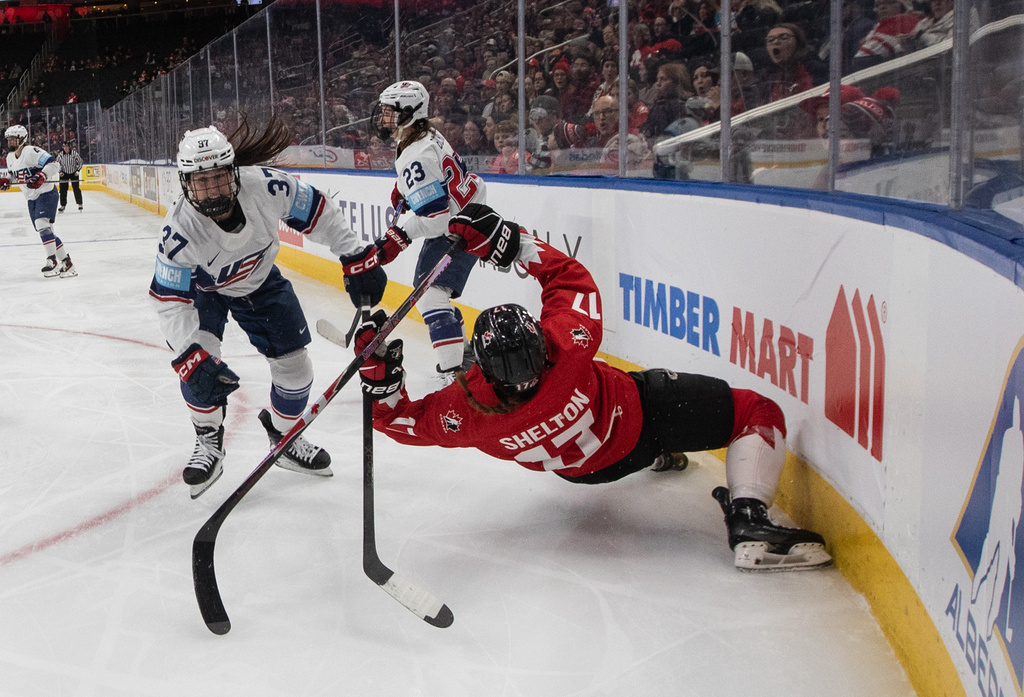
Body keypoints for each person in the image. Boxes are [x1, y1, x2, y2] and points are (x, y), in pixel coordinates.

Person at [355, 203, 832, 572]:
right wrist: (511, 243)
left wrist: (381, 383)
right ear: (540, 344)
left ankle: (657, 456)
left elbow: (405, 423)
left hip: (586, 473)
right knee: (754, 410)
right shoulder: (567, 348)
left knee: (622, 438)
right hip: (641, 418)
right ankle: (749, 518)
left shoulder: (468, 409)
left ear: (482, 368)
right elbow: (568, 278)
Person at [147, 117, 387, 499]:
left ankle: (285, 434)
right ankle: (209, 438)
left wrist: (354, 254)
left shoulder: (265, 185)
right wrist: (189, 357)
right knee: (199, 365)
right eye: (201, 181)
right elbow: (169, 303)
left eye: (219, 177)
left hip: (260, 282)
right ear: (186, 184)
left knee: (296, 369)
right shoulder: (179, 231)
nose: (212, 190)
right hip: (204, 290)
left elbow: (319, 212)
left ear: (234, 172)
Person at [369, 80, 488, 387]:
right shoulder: (424, 135)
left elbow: (435, 221)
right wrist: (408, 188)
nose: (381, 118)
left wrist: (399, 235)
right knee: (431, 291)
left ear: (408, 113)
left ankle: (455, 377)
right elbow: (437, 178)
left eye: (388, 112)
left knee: (430, 295)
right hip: (468, 216)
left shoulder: (415, 155)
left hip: (460, 228)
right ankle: (463, 354)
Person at [1, 125, 76, 278]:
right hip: (31, 198)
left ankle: (51, 260)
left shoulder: (31, 152)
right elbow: (13, 175)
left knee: (42, 225)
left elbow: (54, 164)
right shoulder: (10, 158)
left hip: (46, 193)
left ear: (22, 139)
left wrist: (41, 175)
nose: (10, 142)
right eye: (8, 139)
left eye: (13, 139)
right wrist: (6, 180)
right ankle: (67, 263)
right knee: (47, 232)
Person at [56, 141, 83, 212]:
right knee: (63, 190)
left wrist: (78, 170)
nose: (65, 148)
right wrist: (60, 171)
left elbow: (80, 162)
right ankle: (63, 205)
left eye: (67, 147)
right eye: (64, 147)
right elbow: (56, 164)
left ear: (69, 147)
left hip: (74, 173)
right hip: (64, 173)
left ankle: (80, 204)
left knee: (76, 189)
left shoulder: (74, 154)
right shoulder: (60, 155)